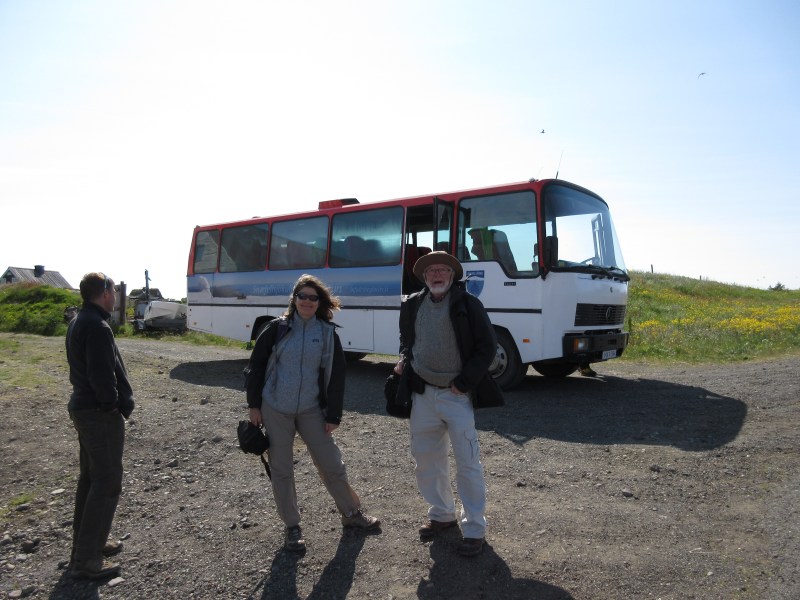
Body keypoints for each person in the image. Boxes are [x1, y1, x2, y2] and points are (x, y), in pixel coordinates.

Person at [245, 274, 380, 552]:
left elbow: (337, 376)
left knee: (332, 463)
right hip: (275, 408)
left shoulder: (327, 333)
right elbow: (255, 366)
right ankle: (292, 527)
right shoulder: (276, 329)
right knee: (282, 469)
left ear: (320, 302)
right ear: (294, 300)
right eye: (302, 296)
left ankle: (351, 514)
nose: (307, 301)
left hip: (311, 409)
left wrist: (333, 415)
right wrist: (254, 405)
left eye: (312, 297)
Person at [394, 251, 504, 557]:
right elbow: (406, 340)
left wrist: (464, 382)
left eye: (443, 270)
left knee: (468, 463)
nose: (437, 275)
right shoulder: (412, 304)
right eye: (431, 271)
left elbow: (487, 346)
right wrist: (404, 360)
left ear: (452, 276)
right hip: (422, 394)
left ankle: (474, 529)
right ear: (424, 277)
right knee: (427, 460)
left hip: (457, 396)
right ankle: (442, 514)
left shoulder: (468, 304)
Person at [66, 273, 134, 579]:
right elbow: (102, 375)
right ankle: (86, 560)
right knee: (106, 481)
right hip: (97, 413)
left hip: (84, 409)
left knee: (91, 479)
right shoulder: (97, 326)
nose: (116, 295)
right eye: (114, 290)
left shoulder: (81, 320)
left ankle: (87, 545)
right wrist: (112, 406)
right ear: (105, 293)